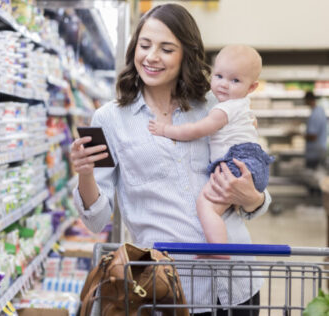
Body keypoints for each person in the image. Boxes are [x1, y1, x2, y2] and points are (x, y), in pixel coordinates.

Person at [70, 4, 271, 315]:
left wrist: (253, 197)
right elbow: (96, 220)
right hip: (168, 290)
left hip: (237, 283)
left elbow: (255, 191)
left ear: (186, 55)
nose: (151, 57)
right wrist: (85, 173)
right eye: (145, 45)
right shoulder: (108, 119)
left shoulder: (215, 107)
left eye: (166, 49)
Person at [148, 45, 274, 246]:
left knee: (206, 205)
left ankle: (217, 249)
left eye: (235, 80)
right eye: (219, 76)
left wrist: (165, 130)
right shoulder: (244, 108)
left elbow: (196, 130)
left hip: (236, 164)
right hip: (253, 164)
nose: (224, 85)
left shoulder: (224, 109)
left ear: (251, 88)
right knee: (221, 207)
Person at [304, 91, 327, 169]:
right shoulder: (320, 110)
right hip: (320, 149)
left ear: (307, 100)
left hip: (315, 153)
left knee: (312, 176)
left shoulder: (315, 115)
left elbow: (313, 136)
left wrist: (297, 134)